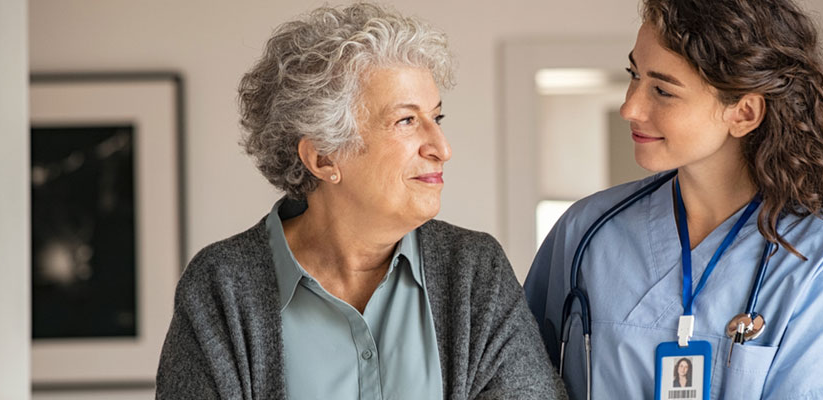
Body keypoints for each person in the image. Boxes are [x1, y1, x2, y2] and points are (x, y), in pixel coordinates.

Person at [156, 3, 565, 399]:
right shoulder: (220, 289)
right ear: (323, 157)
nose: (441, 147)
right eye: (406, 121)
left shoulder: (475, 272)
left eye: (435, 118)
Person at [524, 0, 823, 399]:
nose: (629, 106)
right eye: (634, 75)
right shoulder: (588, 231)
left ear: (744, 113)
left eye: (663, 90)